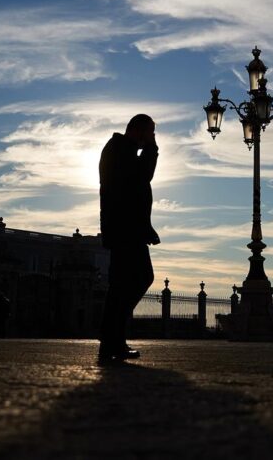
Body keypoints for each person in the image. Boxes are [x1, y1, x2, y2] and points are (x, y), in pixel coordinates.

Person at [97, 114, 160, 364]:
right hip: (125, 230)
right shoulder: (120, 150)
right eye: (151, 132)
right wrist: (153, 150)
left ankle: (113, 340)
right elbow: (142, 177)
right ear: (140, 131)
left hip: (127, 229)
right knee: (136, 279)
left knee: (123, 284)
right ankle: (112, 339)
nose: (153, 137)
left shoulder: (121, 150)